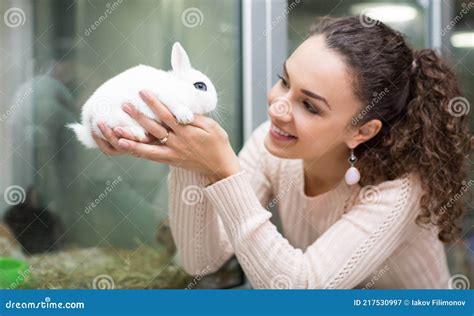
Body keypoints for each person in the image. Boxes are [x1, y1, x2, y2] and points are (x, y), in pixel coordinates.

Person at [92, 16, 471, 288]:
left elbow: (299, 288)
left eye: (309, 105)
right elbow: (200, 259)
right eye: (284, 81)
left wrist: (225, 170)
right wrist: (188, 160)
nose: (277, 105)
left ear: (362, 131)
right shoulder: (270, 146)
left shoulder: (399, 189)